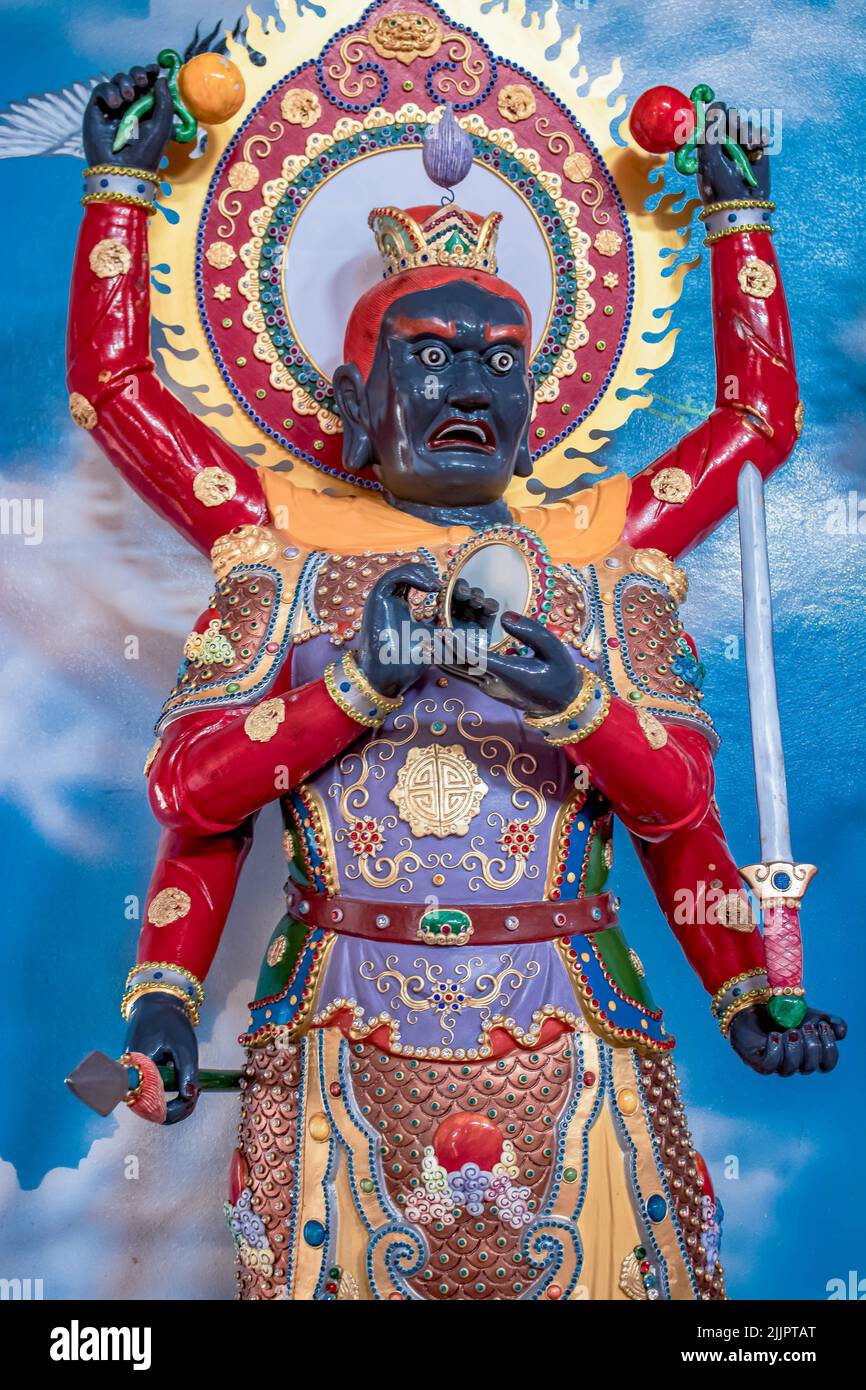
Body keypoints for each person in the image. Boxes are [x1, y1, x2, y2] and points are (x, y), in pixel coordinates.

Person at [66, 63, 845, 1302]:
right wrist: (117, 192)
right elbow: (196, 799)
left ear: (535, 402)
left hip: (573, 1033)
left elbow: (677, 802)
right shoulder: (280, 554)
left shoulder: (599, 560)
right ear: (349, 399)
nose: (469, 386)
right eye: (428, 357)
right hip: (336, 1030)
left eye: (498, 362)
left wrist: (738, 223)